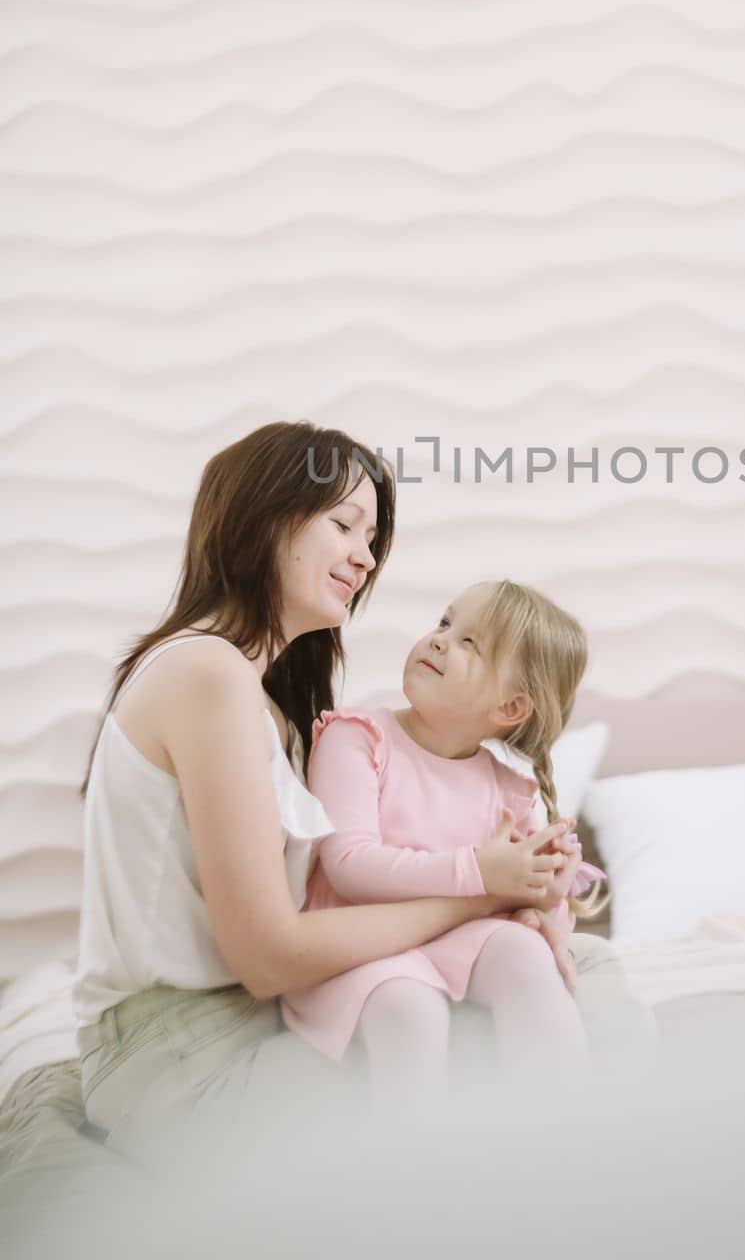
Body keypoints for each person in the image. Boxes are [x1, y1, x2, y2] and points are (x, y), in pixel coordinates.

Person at [71, 421, 564, 1163]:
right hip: (177, 1056)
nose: (365, 558)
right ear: (264, 519)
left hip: (255, 1021)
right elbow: (269, 956)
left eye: (372, 539)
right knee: (533, 1031)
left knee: (565, 978)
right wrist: (478, 891)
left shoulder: (270, 704)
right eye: (344, 525)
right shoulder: (207, 676)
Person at [281, 579, 607, 1101]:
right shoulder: (357, 738)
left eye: (470, 644)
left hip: (452, 943)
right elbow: (348, 864)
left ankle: (563, 1138)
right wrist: (478, 870)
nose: (439, 640)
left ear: (510, 709)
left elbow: (523, 912)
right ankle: (423, 1170)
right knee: (408, 1007)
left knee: (525, 955)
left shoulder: (508, 789)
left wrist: (547, 897)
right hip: (361, 948)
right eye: (445, 623)